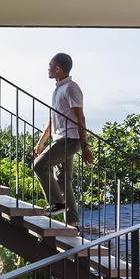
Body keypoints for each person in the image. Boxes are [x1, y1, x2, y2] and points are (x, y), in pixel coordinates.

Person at [32, 52, 94, 226]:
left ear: (58, 68)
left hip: (70, 139)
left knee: (38, 166)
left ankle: (57, 204)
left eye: (50, 65)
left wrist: (85, 145)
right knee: (63, 181)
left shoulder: (71, 88)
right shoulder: (58, 89)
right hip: (60, 138)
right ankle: (73, 223)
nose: (49, 68)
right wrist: (41, 142)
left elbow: (80, 118)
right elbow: (53, 120)